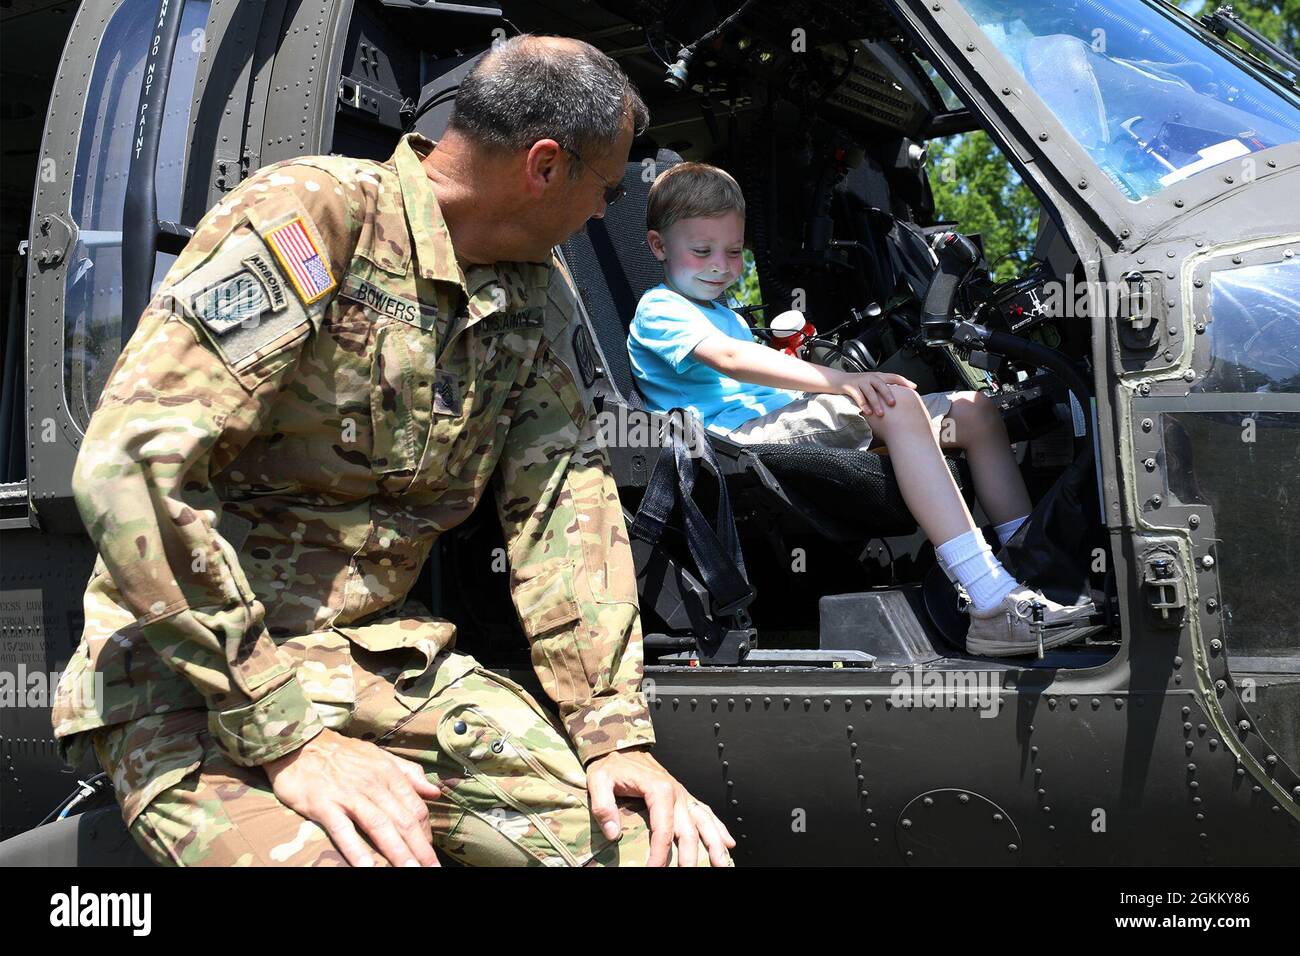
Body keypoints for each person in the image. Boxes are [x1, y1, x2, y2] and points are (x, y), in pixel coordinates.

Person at [52, 36, 734, 868]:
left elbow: (563, 503)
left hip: (377, 669)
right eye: (609, 187)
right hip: (191, 684)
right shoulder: (314, 218)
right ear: (546, 167)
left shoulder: (534, 292)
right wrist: (285, 735)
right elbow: (133, 467)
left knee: (665, 854)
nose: (604, 213)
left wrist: (611, 732)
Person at [626, 162, 1100, 657]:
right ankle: (989, 600)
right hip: (734, 442)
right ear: (660, 247)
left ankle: (1031, 577)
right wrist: (843, 383)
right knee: (892, 404)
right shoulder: (661, 308)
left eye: (732, 251)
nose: (721, 266)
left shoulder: (724, 313)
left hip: (780, 420)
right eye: (702, 251)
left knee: (975, 411)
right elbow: (730, 359)